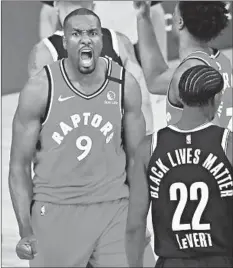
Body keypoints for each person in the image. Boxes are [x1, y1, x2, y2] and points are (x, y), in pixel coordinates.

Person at [9, 8, 155, 267]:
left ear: (102, 39)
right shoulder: (41, 88)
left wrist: (138, 216)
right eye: (76, 34)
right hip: (56, 210)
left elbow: (137, 159)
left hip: (114, 207)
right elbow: (18, 167)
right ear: (64, 42)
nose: (86, 39)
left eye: (93, 33)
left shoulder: (124, 83)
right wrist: (25, 230)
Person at [126, 65, 233, 268]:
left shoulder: (149, 147)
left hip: (171, 262)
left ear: (181, 99)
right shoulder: (228, 145)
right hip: (221, 260)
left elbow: (134, 225)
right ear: (216, 99)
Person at [29, 0, 154, 136]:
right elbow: (141, 100)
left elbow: (35, 115)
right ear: (94, 6)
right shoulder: (119, 41)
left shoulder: (43, 51)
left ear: (56, 6)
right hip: (115, 142)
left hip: (71, 144)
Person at [135, 1, 232, 130]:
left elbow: (209, 136)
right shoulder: (220, 60)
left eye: (174, 13)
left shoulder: (189, 73)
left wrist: (142, 16)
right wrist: (143, 16)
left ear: (180, 22)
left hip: (202, 149)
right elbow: (156, 79)